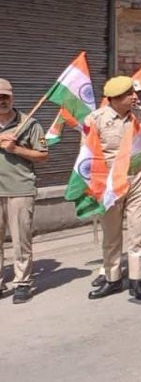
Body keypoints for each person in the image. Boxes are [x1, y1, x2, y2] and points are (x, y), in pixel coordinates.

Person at [86, 76, 141, 301]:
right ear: (115, 98)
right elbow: (88, 154)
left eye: (134, 93)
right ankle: (112, 278)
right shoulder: (95, 119)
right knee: (111, 233)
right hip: (109, 182)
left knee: (139, 230)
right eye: (130, 94)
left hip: (138, 178)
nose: (135, 97)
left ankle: (137, 280)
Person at [0, 78, 48, 304]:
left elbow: (42, 156)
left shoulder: (30, 123)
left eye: (5, 97)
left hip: (20, 189)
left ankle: (22, 283)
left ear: (12, 98)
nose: (2, 101)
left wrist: (15, 148)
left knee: (21, 240)